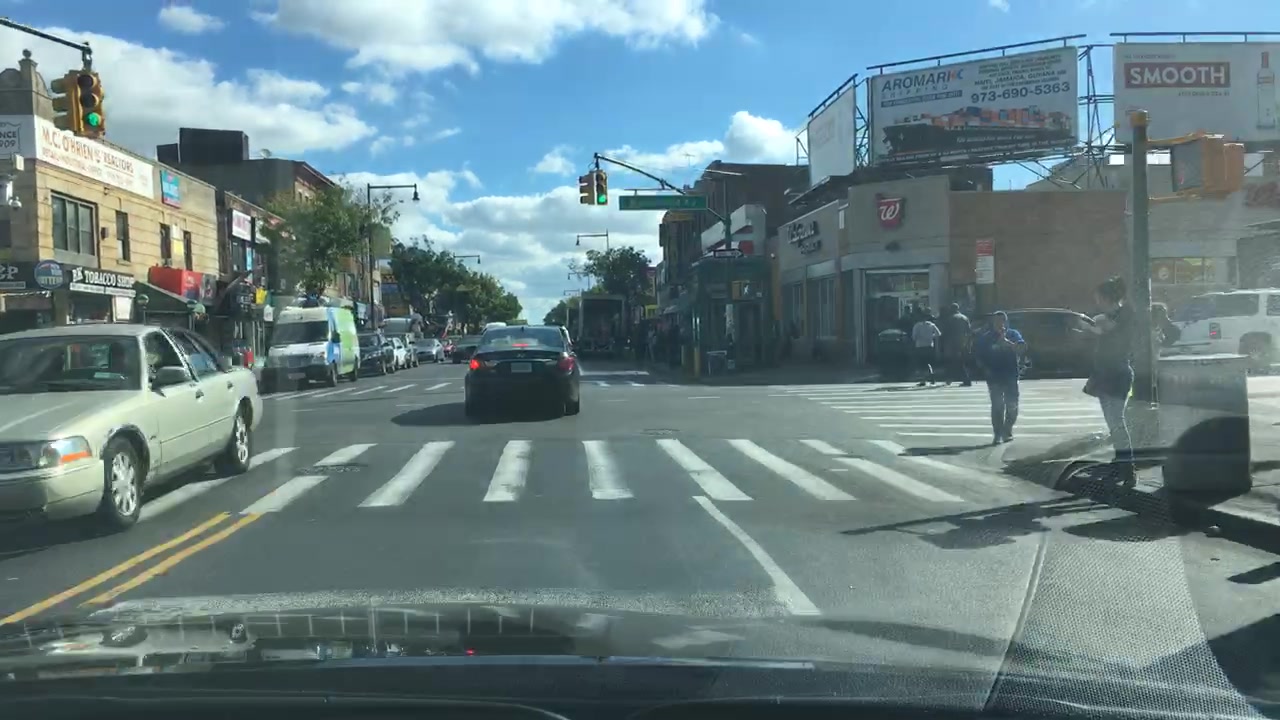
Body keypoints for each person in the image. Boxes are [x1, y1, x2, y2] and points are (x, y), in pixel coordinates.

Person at [1085, 276, 1136, 487]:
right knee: (1113, 423)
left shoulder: (1124, 314)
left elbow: (1108, 329)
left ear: (1107, 298)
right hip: (1104, 373)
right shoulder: (1108, 316)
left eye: (1098, 298)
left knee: (1117, 422)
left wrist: (1089, 326)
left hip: (1117, 374)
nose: (1097, 302)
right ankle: (1121, 465)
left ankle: (1128, 468)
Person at [974, 311, 1026, 444]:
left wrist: (1007, 342)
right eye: (997, 321)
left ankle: (1007, 430)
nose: (1000, 323)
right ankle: (997, 434)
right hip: (994, 376)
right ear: (993, 323)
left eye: (1003, 320)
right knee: (997, 405)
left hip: (1011, 375)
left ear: (1006, 322)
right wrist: (985, 370)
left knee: (1012, 405)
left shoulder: (1013, 334)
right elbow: (979, 356)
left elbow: (1021, 349)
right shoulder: (986, 337)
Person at [940, 303, 972, 386]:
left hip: (953, 343)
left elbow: (946, 332)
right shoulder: (965, 317)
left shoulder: (950, 318)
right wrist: (968, 343)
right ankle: (962, 379)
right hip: (964, 342)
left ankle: (960, 379)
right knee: (961, 361)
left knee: (953, 361)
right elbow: (969, 331)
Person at [911, 311, 942, 387]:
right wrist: (931, 336)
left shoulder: (917, 325)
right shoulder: (931, 325)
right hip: (929, 345)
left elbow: (914, 337)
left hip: (920, 346)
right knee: (929, 362)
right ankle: (931, 376)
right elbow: (938, 334)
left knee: (921, 364)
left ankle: (923, 380)